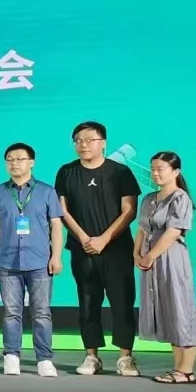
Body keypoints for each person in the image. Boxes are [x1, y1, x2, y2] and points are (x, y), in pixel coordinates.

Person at [54, 121, 140, 377]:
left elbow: (129, 211)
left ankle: (125, 357)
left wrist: (104, 239)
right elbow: (62, 210)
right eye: (78, 140)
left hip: (117, 250)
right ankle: (92, 356)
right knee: (88, 302)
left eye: (89, 140)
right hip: (82, 249)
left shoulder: (120, 171)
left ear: (103, 143)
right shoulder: (66, 172)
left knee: (122, 302)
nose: (83, 145)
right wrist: (84, 238)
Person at [0, 144, 64, 377]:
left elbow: (56, 225)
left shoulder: (46, 191)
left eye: (20, 159)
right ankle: (11, 356)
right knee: (12, 312)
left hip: (40, 261)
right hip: (7, 262)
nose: (14, 163)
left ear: (31, 162)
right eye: (10, 159)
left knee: (41, 313)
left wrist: (56, 256)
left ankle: (44, 359)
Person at [135, 152, 196, 384]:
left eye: (160, 169)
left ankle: (186, 371)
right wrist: (137, 254)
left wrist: (150, 255)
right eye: (153, 168)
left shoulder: (180, 198)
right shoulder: (149, 199)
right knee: (168, 311)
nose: (155, 173)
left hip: (171, 259)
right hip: (150, 261)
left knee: (181, 309)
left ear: (176, 172)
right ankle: (178, 368)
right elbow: (142, 229)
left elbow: (173, 232)